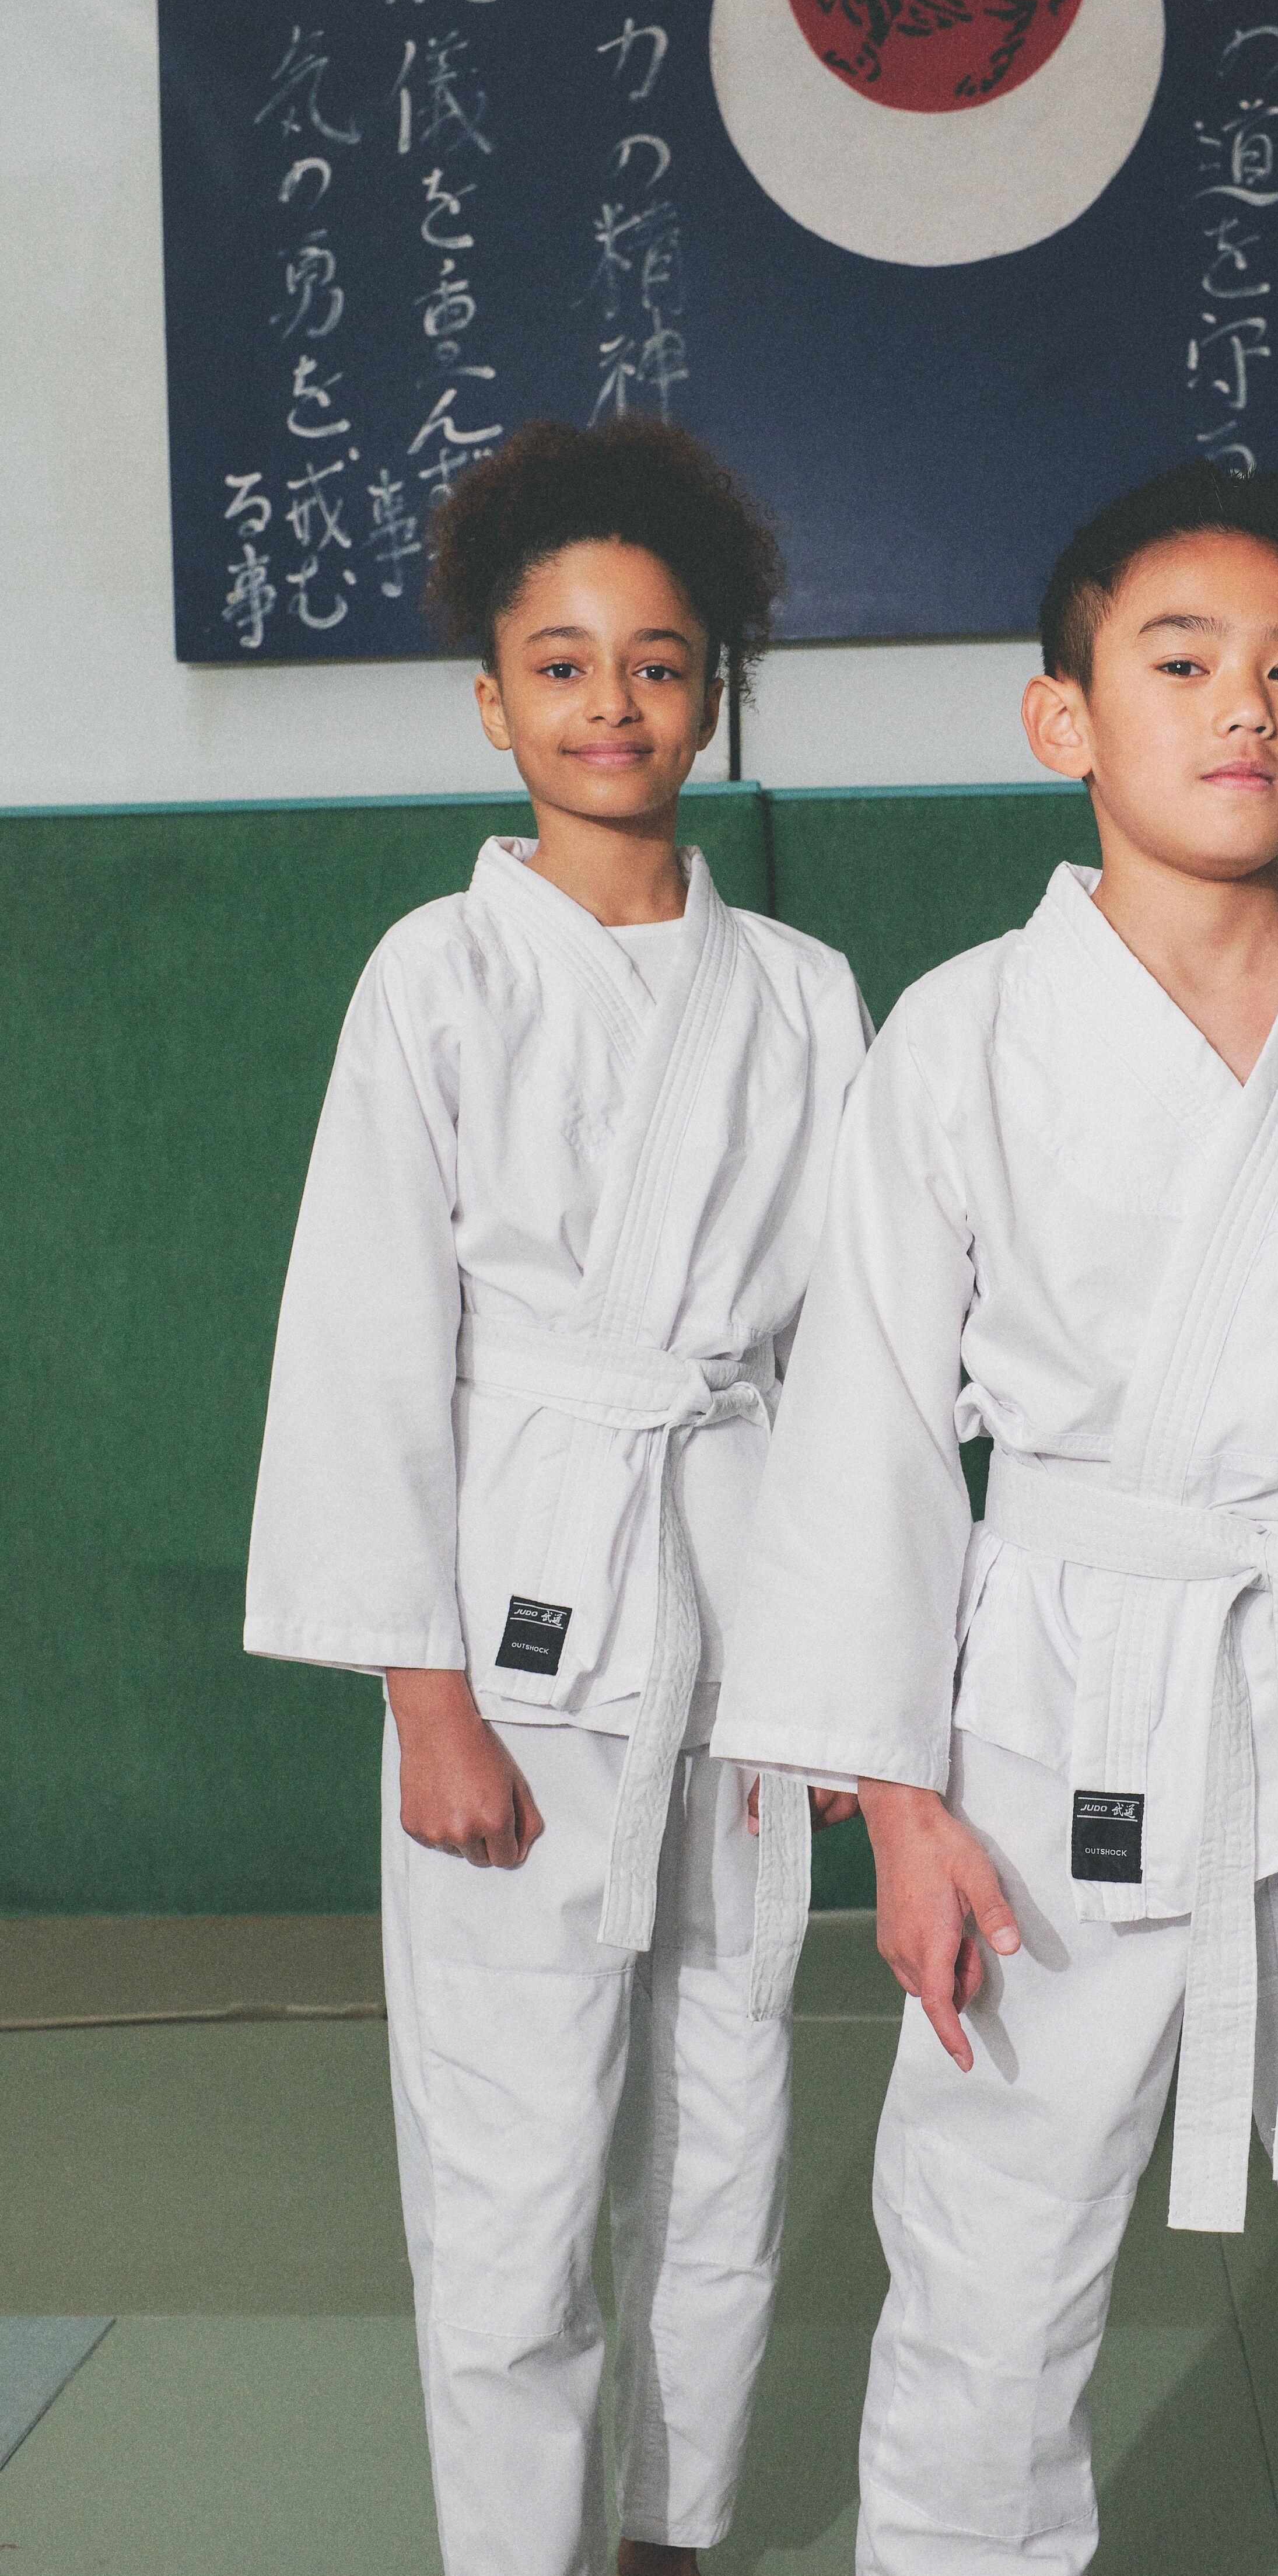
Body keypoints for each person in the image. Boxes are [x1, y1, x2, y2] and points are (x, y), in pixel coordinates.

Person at [713, 460, 1278, 2575]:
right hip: (1060, 1711)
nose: (1247, 705)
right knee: (991, 2253)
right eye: (1183, 661)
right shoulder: (960, 1036)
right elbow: (870, 1426)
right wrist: (899, 1800)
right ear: (1063, 717)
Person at [245, 417, 864, 2576]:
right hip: (513, 1627)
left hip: (745, 1609)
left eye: (660, 663)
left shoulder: (803, 996)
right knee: (511, 2158)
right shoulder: (436, 971)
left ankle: (677, 2534)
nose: (616, 703)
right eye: (565, 663)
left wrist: (855, 1674)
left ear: (718, 690)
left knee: (729, 2113)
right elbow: (363, 1341)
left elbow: (856, 1361)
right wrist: (424, 1696)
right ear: (492, 701)